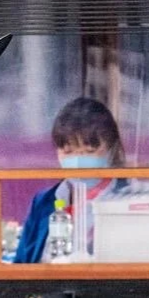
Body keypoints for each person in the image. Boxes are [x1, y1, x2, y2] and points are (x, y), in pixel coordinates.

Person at [14, 97, 126, 264]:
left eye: (89, 151)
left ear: (111, 148)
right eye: (68, 151)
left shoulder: (129, 199)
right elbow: (21, 264)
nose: (78, 160)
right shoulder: (44, 202)